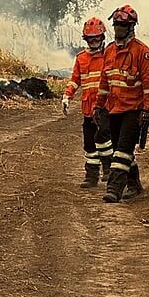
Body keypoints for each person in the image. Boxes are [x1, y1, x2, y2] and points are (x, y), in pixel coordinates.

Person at [95, 5, 149, 203]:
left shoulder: (142, 52)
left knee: (122, 151)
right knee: (122, 150)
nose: (118, 28)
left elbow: (148, 85)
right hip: (114, 109)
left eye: (122, 25)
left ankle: (114, 189)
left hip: (133, 110)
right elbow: (104, 82)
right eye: (116, 25)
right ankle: (134, 184)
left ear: (131, 27)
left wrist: (146, 110)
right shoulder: (109, 51)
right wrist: (98, 106)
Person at [63, 17, 112, 188]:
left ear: (102, 37)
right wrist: (67, 96)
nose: (93, 41)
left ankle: (108, 168)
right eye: (90, 38)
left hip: (105, 107)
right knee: (89, 144)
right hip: (88, 109)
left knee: (103, 137)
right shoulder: (81, 58)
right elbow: (75, 79)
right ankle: (91, 176)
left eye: (96, 38)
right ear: (86, 39)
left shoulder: (109, 56)